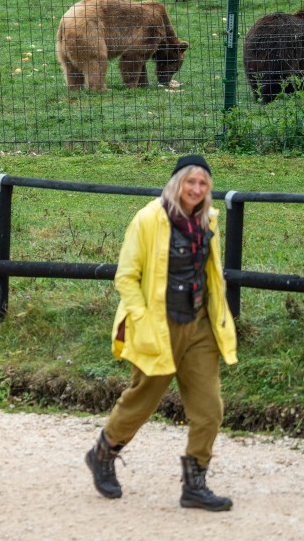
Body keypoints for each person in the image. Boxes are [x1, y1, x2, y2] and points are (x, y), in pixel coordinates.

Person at [85, 155, 238, 511]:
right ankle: (103, 453)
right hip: (159, 325)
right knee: (142, 401)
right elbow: (126, 277)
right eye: (190, 182)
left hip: (199, 325)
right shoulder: (148, 218)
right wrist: (141, 319)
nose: (196, 189)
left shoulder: (209, 220)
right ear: (176, 184)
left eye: (203, 183)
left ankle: (195, 484)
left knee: (210, 409)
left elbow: (212, 274)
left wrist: (218, 319)